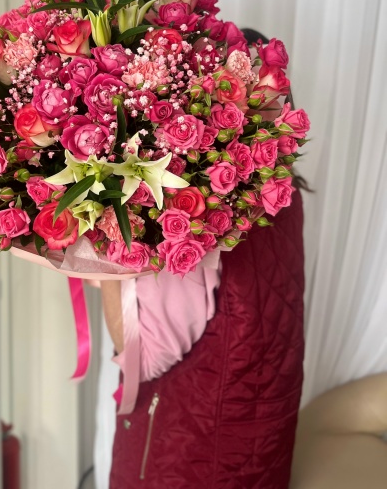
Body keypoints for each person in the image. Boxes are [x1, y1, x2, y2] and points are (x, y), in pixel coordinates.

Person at [101, 30, 306, 489]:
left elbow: (144, 359)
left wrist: (105, 244)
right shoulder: (283, 193)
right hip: (258, 448)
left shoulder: (202, 218)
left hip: (187, 458)